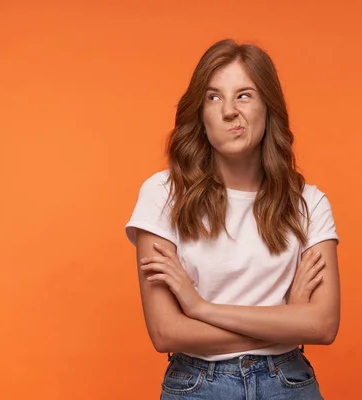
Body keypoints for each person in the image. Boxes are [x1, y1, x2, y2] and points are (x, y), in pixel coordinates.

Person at [124, 39, 340, 399]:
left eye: (244, 95)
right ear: (201, 114)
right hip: (197, 386)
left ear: (268, 108)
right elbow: (166, 333)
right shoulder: (163, 194)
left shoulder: (309, 203)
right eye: (213, 97)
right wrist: (287, 317)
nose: (228, 111)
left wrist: (199, 308)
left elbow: (323, 325)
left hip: (288, 383)